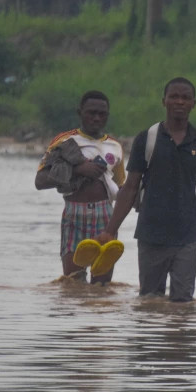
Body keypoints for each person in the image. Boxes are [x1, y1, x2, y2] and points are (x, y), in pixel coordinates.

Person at [99, 77, 196, 301]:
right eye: (174, 97)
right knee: (149, 301)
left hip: (186, 238)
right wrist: (110, 231)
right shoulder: (147, 139)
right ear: (164, 101)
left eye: (185, 98)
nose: (179, 102)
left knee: (183, 303)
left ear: (193, 104)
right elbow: (130, 188)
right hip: (151, 236)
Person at [35, 90, 126, 283]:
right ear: (80, 112)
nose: (96, 118)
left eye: (102, 114)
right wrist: (78, 170)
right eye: (91, 112)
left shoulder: (115, 146)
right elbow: (40, 181)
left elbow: (122, 187)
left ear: (107, 116)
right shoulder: (65, 142)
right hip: (74, 214)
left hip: (105, 215)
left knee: (102, 284)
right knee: (72, 282)